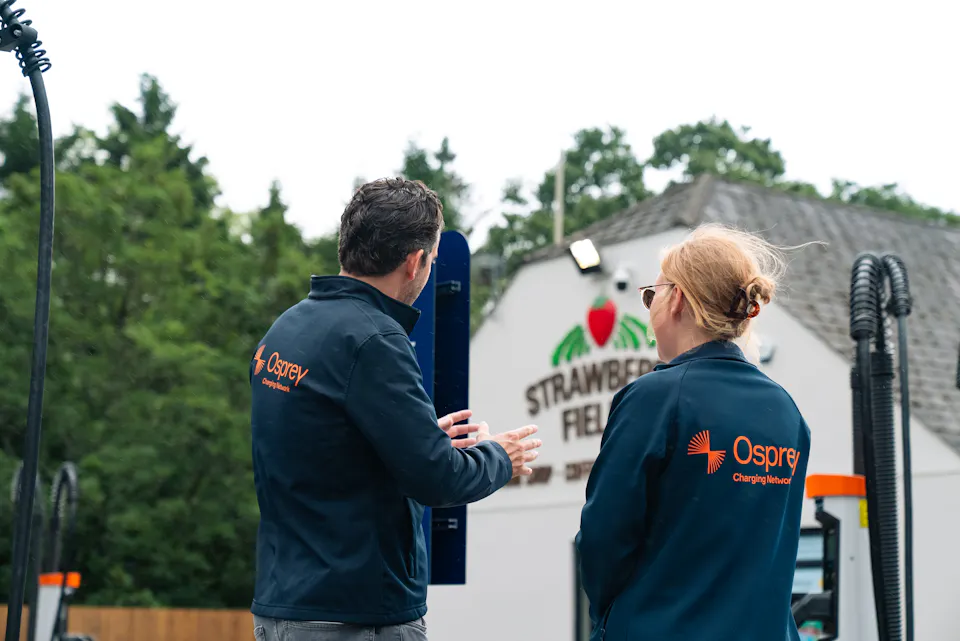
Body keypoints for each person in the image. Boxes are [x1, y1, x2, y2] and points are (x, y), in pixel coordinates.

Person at [249, 177, 541, 641]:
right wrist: (500, 455)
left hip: (283, 609)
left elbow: (322, 447)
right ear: (415, 263)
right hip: (355, 617)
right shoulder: (375, 339)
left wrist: (418, 435)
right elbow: (438, 479)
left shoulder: (286, 330)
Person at [575, 223, 812, 641]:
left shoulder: (655, 398)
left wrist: (616, 618)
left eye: (652, 294)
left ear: (677, 299)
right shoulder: (787, 412)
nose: (649, 307)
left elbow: (603, 540)